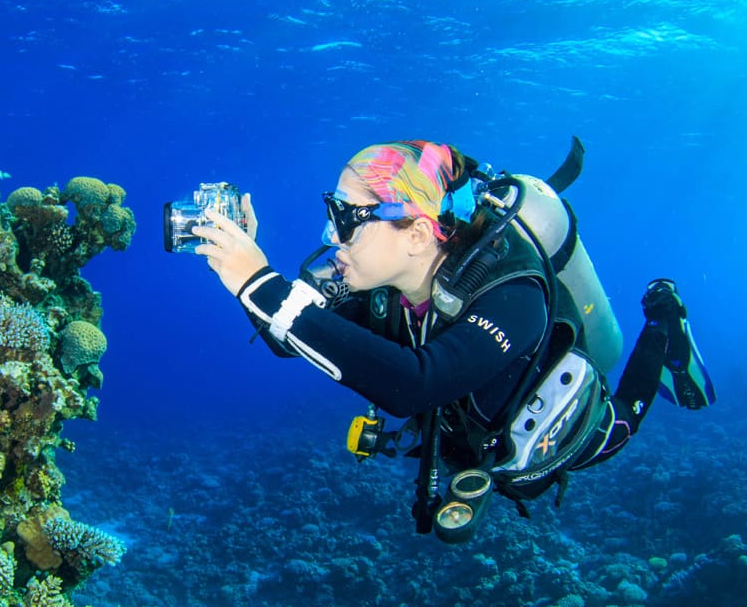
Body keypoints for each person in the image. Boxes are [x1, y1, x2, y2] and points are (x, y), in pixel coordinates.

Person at [191, 139, 713, 540]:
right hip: (479, 440)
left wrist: (259, 284)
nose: (331, 238)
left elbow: (416, 384)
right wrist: (241, 271)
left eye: (347, 220)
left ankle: (665, 319)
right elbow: (290, 337)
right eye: (332, 213)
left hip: (561, 425)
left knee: (616, 429)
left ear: (418, 234)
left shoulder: (513, 293)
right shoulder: (384, 288)